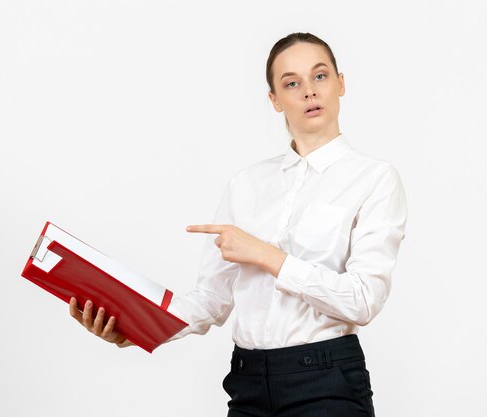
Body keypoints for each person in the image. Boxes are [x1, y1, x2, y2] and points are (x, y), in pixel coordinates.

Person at [69, 32, 408, 417]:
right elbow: (212, 299)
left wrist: (267, 256)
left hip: (327, 382)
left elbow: (363, 300)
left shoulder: (375, 179)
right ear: (275, 100)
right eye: (291, 83)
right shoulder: (246, 184)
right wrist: (136, 328)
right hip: (247, 382)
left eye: (320, 76)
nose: (309, 92)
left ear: (341, 83)